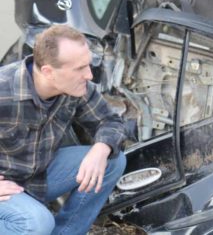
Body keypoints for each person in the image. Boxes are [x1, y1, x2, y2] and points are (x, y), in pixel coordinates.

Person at [0, 25, 127, 234]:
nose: (89, 75)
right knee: (37, 222)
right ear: (48, 71)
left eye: (88, 65)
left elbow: (111, 121)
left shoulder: (76, 88)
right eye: (79, 68)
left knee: (112, 160)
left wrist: (101, 149)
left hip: (38, 176)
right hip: (4, 188)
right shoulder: (4, 90)